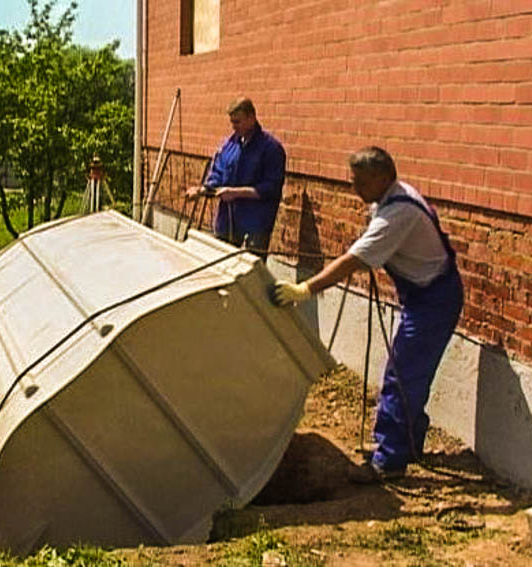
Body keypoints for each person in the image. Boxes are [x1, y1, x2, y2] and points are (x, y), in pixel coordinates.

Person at [273, 146, 463, 481]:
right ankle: (409, 444)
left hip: (433, 300)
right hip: (427, 294)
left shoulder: (397, 213)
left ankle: (389, 462)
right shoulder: (387, 199)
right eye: (353, 181)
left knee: (401, 375)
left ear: (383, 177)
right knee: (410, 373)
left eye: (360, 182)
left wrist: (306, 289)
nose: (354, 189)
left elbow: (353, 260)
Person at [186, 97, 286, 259]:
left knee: (250, 272)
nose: (234, 127)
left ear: (251, 118)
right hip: (227, 221)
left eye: (237, 122)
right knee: (220, 263)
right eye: (232, 122)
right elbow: (218, 174)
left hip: (255, 223)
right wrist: (202, 190)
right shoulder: (229, 145)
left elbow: (271, 188)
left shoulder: (271, 149)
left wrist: (236, 193)